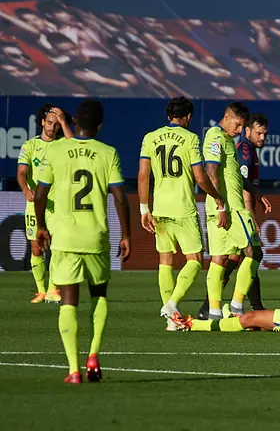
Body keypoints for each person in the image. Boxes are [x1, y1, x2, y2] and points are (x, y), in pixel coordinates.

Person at [34, 99, 131, 384]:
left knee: (68, 302)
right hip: (96, 236)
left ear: (74, 121)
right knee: (99, 294)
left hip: (64, 237)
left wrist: (41, 227)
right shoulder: (108, 153)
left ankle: (74, 370)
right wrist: (126, 234)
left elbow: (40, 195)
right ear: (99, 126)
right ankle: (93, 354)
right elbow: (120, 197)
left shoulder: (56, 150)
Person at [137, 97, 227, 328]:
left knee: (165, 261)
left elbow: (143, 176)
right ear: (187, 117)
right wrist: (217, 196)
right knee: (195, 260)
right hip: (183, 208)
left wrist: (144, 209)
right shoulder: (191, 138)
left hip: (159, 208)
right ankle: (172, 304)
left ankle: (171, 320)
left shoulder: (150, 137)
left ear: (168, 116)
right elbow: (199, 176)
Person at [197, 113, 272, 319]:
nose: (263, 138)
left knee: (224, 258)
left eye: (265, 134)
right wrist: (249, 216)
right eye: (259, 132)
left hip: (223, 207)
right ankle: (240, 306)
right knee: (252, 253)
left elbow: (237, 178)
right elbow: (215, 172)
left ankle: (210, 309)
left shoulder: (232, 143)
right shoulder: (244, 150)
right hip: (233, 208)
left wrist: (257, 193)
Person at [18, 103, 73, 304]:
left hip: (58, 205)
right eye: (49, 122)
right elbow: (22, 172)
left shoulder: (62, 145)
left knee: (57, 248)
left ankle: (52, 289)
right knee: (36, 248)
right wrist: (25, 190)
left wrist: (64, 121)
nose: (52, 127)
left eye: (56, 124)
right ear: (42, 122)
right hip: (36, 205)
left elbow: (75, 145)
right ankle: (41, 291)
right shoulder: (29, 145)